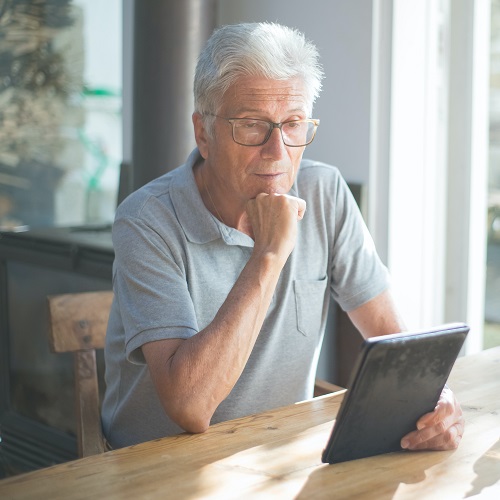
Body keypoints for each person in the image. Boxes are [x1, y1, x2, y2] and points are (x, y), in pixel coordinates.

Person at [102, 22, 464, 451]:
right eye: (253, 125)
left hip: (276, 458)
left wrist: (432, 401)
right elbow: (190, 407)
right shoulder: (146, 220)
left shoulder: (324, 192)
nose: (277, 153)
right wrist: (269, 254)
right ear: (204, 133)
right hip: (156, 470)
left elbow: (391, 337)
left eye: (292, 125)